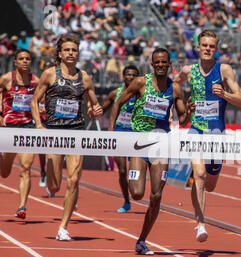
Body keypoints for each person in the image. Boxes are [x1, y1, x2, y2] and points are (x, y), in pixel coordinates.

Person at [108, 47, 191, 255]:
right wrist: (110, 132)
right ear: (152, 65)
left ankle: (142, 240)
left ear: (169, 64)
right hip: (138, 141)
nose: (161, 65)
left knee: (156, 195)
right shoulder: (141, 83)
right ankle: (131, 201)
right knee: (137, 193)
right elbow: (118, 103)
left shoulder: (176, 89)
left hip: (161, 143)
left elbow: (182, 121)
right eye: (158, 62)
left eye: (165, 62)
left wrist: (188, 112)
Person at [30, 33, 103, 241]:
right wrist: (38, 124)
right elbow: (35, 101)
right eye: (67, 50)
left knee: (73, 180)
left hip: (76, 133)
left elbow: (93, 105)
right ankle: (51, 175)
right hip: (54, 132)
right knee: (54, 185)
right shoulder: (49, 74)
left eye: (74, 50)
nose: (71, 53)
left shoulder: (85, 77)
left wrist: (95, 110)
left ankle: (63, 227)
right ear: (60, 54)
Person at [174, 29, 241, 242]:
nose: (207, 49)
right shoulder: (188, 71)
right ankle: (200, 224)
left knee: (210, 184)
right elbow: (175, 85)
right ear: (198, 48)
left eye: (211, 46)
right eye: (204, 45)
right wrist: (182, 106)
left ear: (216, 49)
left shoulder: (224, 70)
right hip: (195, 129)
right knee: (200, 175)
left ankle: (199, 195)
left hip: (216, 132)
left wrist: (224, 94)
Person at [0, 49, 40, 219]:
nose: (25, 61)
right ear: (15, 62)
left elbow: (41, 102)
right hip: (9, 128)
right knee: (5, 172)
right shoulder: (7, 79)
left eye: (27, 59)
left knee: (26, 168)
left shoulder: (36, 82)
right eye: (21, 59)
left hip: (27, 128)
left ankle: (22, 206)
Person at [103, 64, 139, 213]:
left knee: (134, 171)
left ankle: (136, 189)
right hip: (119, 134)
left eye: (133, 75)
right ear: (123, 76)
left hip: (136, 135)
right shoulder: (115, 94)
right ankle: (126, 201)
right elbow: (101, 109)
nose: (130, 77)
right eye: (128, 74)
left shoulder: (141, 93)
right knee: (122, 170)